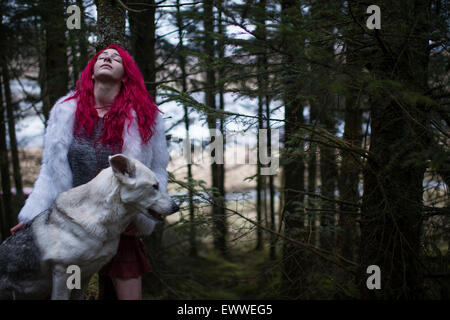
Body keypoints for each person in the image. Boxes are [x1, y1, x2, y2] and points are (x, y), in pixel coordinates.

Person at [10, 44, 169, 300]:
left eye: (116, 58)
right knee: (69, 289)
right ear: (91, 73)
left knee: (129, 282)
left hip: (119, 220)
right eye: (102, 57)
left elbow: (157, 170)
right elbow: (51, 173)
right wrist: (31, 217)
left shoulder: (145, 117)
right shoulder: (65, 112)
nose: (107, 58)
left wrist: (144, 215)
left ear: (125, 74)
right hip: (73, 222)